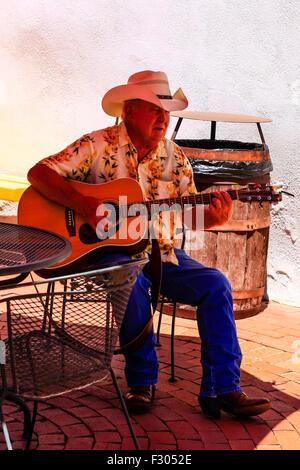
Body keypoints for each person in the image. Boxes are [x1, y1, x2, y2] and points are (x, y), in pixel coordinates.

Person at [27, 70, 271, 419]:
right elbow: (39, 174)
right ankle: (142, 381)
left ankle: (222, 388)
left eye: (166, 111)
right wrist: (84, 205)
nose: (162, 118)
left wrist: (216, 215)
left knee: (215, 284)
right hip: (106, 255)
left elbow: (192, 216)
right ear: (129, 112)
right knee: (131, 275)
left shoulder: (175, 157)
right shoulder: (97, 144)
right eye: (154, 109)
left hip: (164, 254)